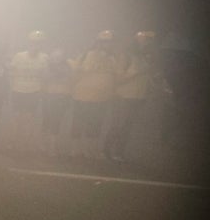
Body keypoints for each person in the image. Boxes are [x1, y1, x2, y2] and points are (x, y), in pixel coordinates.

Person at [104, 31, 158, 161]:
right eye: (145, 40)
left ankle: (119, 152)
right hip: (124, 96)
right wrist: (136, 72)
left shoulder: (147, 58)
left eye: (149, 40)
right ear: (137, 41)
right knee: (118, 125)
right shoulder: (126, 56)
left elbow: (148, 78)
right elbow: (118, 78)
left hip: (139, 97)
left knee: (128, 126)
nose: (148, 43)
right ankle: (107, 151)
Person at [70, 30, 120, 159]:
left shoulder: (113, 58)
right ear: (97, 42)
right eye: (103, 42)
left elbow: (115, 76)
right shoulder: (85, 55)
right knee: (79, 122)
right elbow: (75, 74)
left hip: (101, 98)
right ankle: (75, 149)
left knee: (95, 124)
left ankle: (90, 150)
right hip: (82, 96)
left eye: (109, 42)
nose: (106, 45)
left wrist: (112, 92)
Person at [8, 30, 48, 152]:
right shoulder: (19, 56)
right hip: (18, 90)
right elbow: (11, 72)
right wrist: (11, 88)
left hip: (34, 91)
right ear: (29, 43)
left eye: (39, 43)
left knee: (29, 119)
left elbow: (45, 76)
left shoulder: (45, 58)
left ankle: (24, 144)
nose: (36, 46)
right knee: (16, 117)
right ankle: (13, 142)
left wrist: (42, 90)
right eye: (34, 43)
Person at [40, 47, 73, 156]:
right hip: (49, 95)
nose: (57, 59)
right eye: (54, 57)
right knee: (47, 120)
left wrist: (58, 72)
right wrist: (53, 71)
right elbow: (45, 78)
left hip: (62, 96)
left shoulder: (68, 67)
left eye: (59, 57)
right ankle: (43, 144)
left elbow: (68, 79)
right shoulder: (47, 67)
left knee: (57, 121)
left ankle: (52, 147)